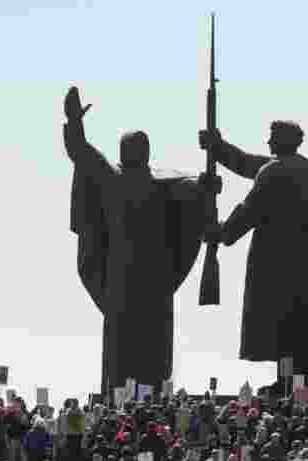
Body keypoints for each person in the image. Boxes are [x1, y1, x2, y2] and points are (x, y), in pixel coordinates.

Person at [199, 121, 308, 401]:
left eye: (271, 138)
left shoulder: (277, 172)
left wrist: (221, 232)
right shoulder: (298, 170)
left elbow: (249, 209)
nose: (267, 142)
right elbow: (248, 164)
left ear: (280, 142)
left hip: (299, 273)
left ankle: (289, 384)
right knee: (292, 331)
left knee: (288, 331)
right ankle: (289, 383)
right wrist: (219, 148)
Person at [64, 86, 208, 397]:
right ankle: (127, 404)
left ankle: (141, 403)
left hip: (147, 282)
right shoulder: (117, 178)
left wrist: (205, 185)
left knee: (149, 354)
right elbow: (80, 151)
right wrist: (74, 122)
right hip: (133, 280)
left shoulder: (159, 183)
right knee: (126, 354)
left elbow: (192, 188)